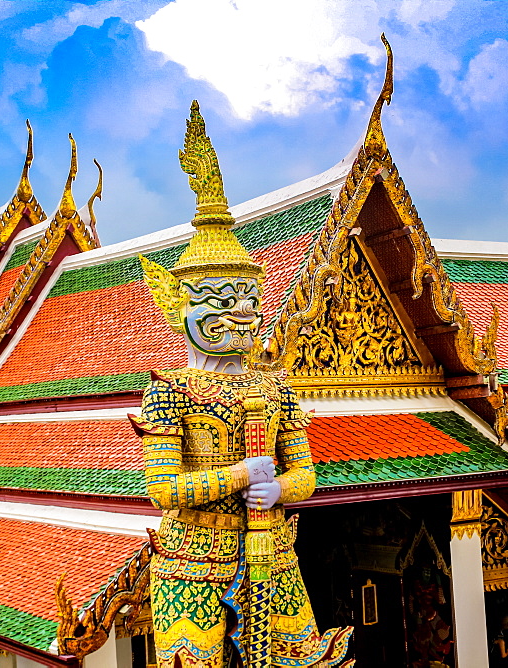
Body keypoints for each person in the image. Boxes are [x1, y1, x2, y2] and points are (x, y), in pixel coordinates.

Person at [132, 101, 352, 668]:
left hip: (271, 553)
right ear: (180, 305)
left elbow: (306, 471)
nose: (240, 314)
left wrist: (281, 489)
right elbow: (163, 491)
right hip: (192, 564)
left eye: (249, 300)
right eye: (221, 300)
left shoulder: (274, 389)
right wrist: (239, 474)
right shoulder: (169, 393)